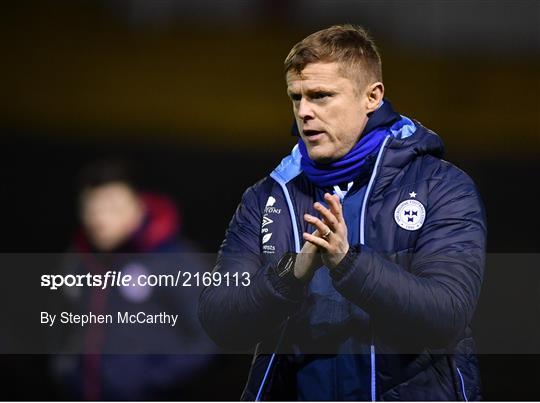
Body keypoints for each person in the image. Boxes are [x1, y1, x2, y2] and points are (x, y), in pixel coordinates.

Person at [199, 24, 486, 401]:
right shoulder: (268, 197)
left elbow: (446, 315)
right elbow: (220, 321)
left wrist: (348, 264)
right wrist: (291, 274)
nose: (304, 112)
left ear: (372, 96)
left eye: (320, 96)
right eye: (296, 97)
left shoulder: (441, 186)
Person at [51, 159, 217, 400]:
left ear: (139, 206)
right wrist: (65, 368)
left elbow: (211, 334)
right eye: (92, 209)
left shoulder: (176, 261)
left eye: (112, 208)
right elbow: (60, 322)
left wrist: (157, 379)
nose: (100, 219)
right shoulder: (79, 260)